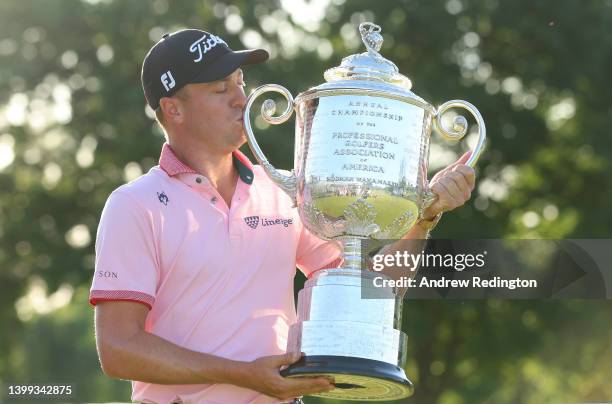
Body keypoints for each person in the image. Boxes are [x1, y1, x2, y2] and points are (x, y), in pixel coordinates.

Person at [90, 28, 475, 404]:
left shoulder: (283, 191)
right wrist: (239, 374)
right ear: (173, 109)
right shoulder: (135, 205)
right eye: (220, 89)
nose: (241, 99)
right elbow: (119, 348)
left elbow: (370, 294)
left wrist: (422, 220)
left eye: (240, 83)